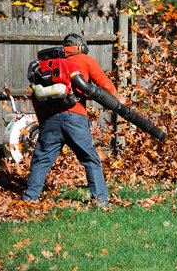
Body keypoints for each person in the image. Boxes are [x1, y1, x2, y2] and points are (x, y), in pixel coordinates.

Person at [22, 33, 124, 206]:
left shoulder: (47, 65)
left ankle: (29, 200)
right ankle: (100, 200)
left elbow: (35, 96)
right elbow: (103, 83)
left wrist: (43, 122)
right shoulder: (85, 60)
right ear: (81, 47)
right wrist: (117, 99)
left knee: (41, 160)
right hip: (74, 117)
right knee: (90, 159)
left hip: (49, 118)